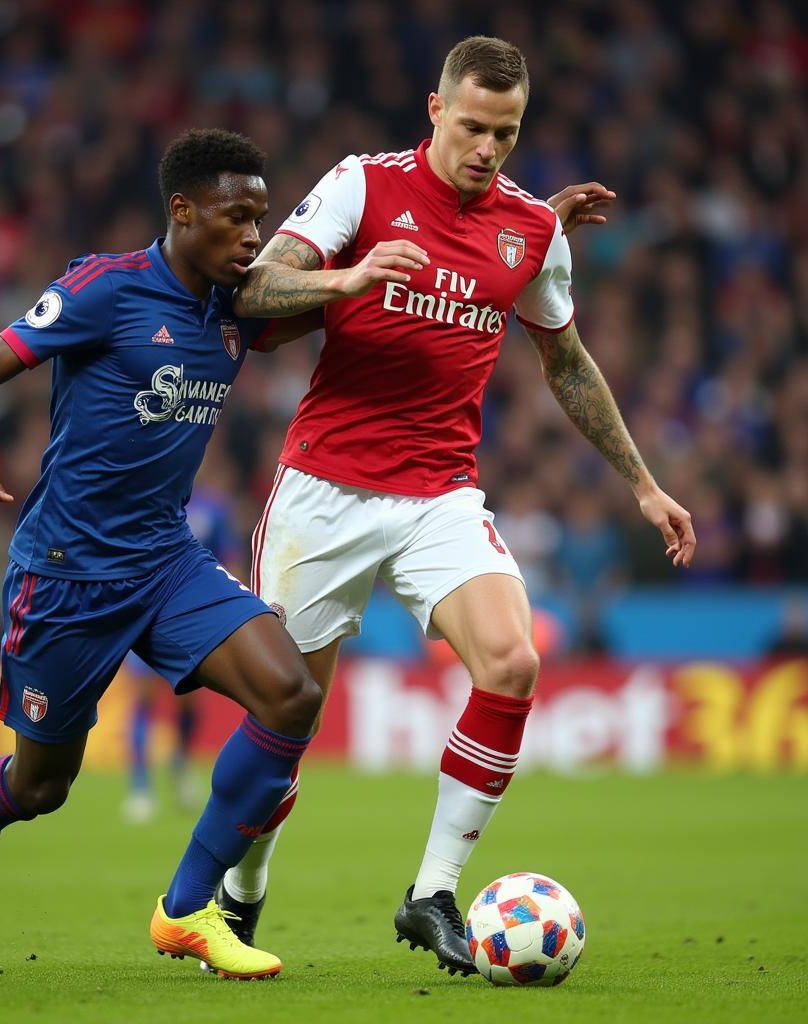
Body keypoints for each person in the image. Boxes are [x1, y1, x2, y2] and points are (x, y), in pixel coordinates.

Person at [226, 36, 697, 976]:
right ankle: (239, 896)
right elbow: (252, 292)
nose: (488, 148)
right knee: (288, 719)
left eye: (507, 133)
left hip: (440, 491)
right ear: (437, 111)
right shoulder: (364, 185)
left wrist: (643, 483)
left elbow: (563, 359)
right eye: (474, 126)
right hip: (325, 487)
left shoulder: (532, 227)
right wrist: (346, 278)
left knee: (515, 662)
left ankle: (430, 893)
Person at [0, 129, 325, 981]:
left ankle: (185, 910)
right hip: (65, 573)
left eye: (262, 215)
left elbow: (363, 295)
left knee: (290, 695)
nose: (255, 234)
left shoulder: (234, 305)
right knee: (39, 787)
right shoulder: (107, 288)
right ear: (183, 212)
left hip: (166, 561)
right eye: (236, 216)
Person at [122, 469, 242, 823]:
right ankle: (140, 787)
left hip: (192, 616)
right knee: (143, 697)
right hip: (146, 612)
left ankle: (180, 761)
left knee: (189, 700)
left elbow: (229, 557)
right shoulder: (148, 501)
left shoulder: (213, 509)